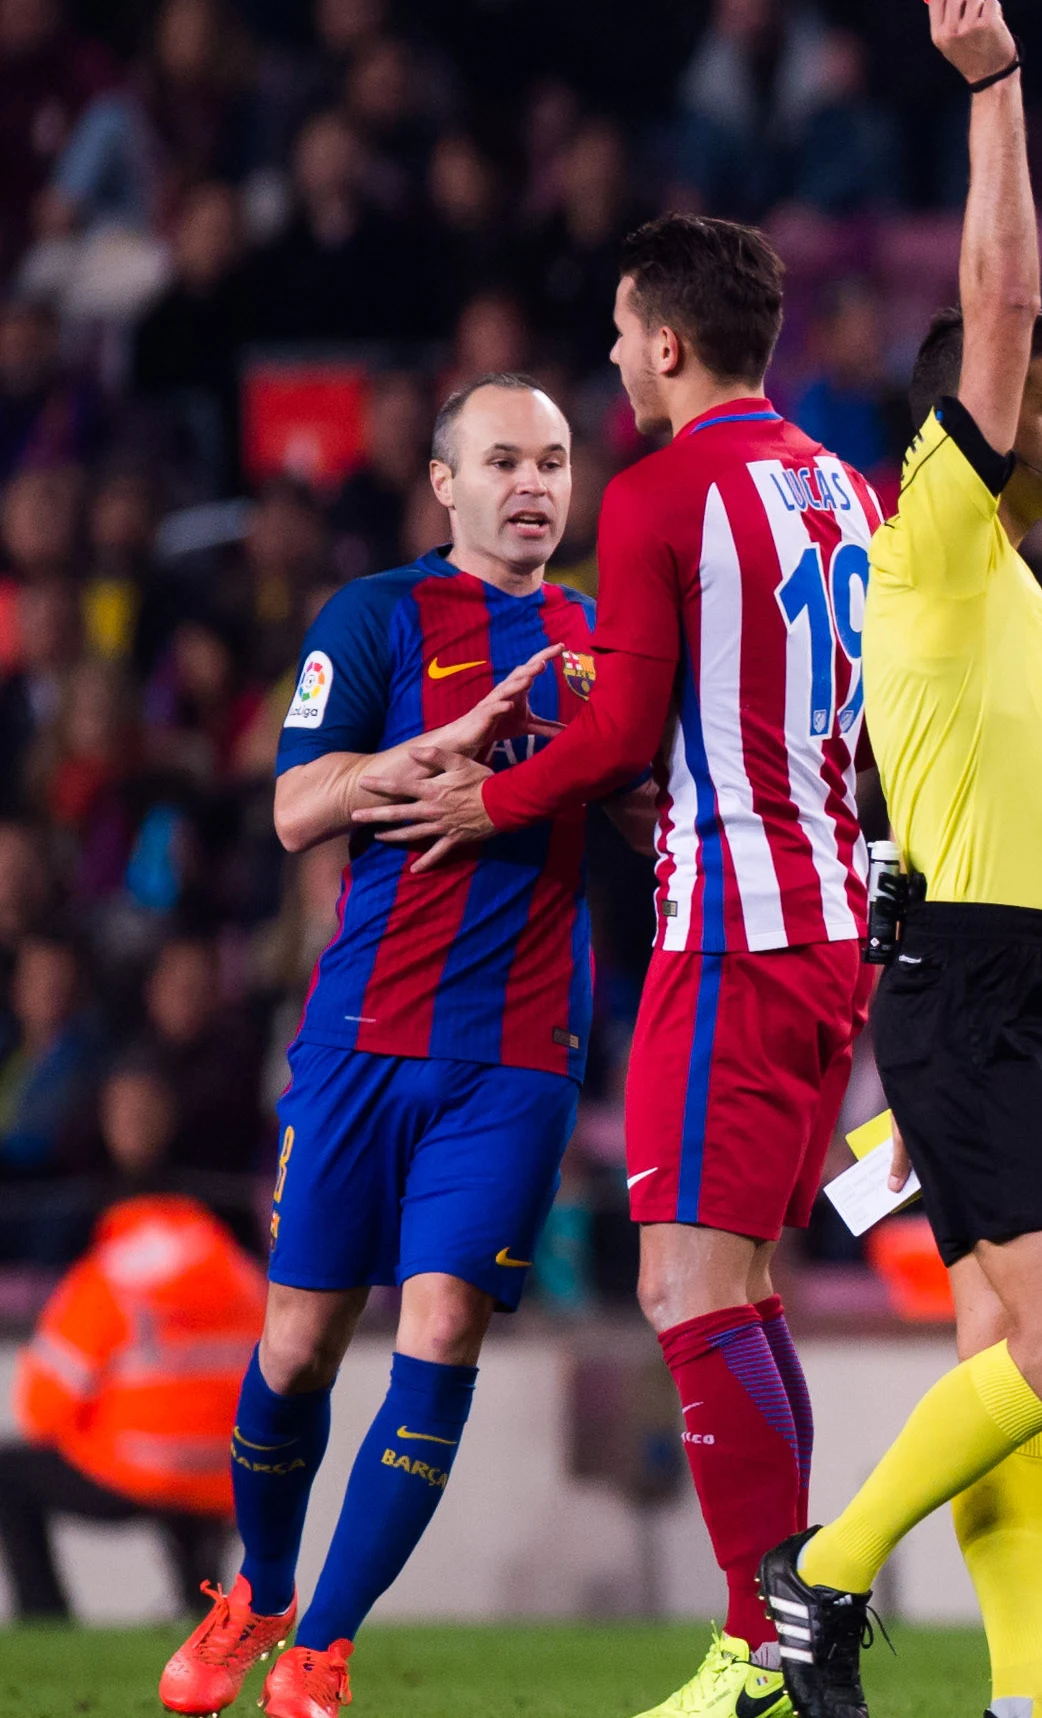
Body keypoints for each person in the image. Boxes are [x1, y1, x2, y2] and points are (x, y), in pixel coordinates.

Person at [356, 218, 878, 1718]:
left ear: (663, 341)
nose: (607, 356)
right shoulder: (844, 485)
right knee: (743, 1286)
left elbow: (622, 739)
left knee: (684, 1284)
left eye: (615, 329)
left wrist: (484, 796)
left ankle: (759, 1647)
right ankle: (796, 1629)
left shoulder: (661, 491)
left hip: (729, 930)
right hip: (832, 917)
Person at [751, 0, 1042, 1718]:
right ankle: (818, 1583)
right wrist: (998, 94)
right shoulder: (938, 540)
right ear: (968, 430)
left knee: (1011, 1352)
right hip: (967, 975)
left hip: (1025, 976)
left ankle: (1029, 1688)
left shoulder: (1021, 601)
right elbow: (997, 296)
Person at [162, 376, 605, 1718]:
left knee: (441, 1330)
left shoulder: (605, 639)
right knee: (296, 1345)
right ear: (444, 482)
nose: (533, 485)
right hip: (361, 1037)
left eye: (555, 461)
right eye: (505, 462)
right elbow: (297, 806)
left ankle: (323, 1649)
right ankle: (263, 1589)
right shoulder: (374, 616)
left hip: (520, 1053)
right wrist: (427, 753)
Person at [2, 1065, 260, 1624]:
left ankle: (46, 1623)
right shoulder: (229, 1263)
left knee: (8, 1474)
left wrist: (97, 1431)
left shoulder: (111, 1271)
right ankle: (205, 1620)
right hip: (225, 1476)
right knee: (191, 1500)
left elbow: (42, 1405)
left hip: (138, 1470)